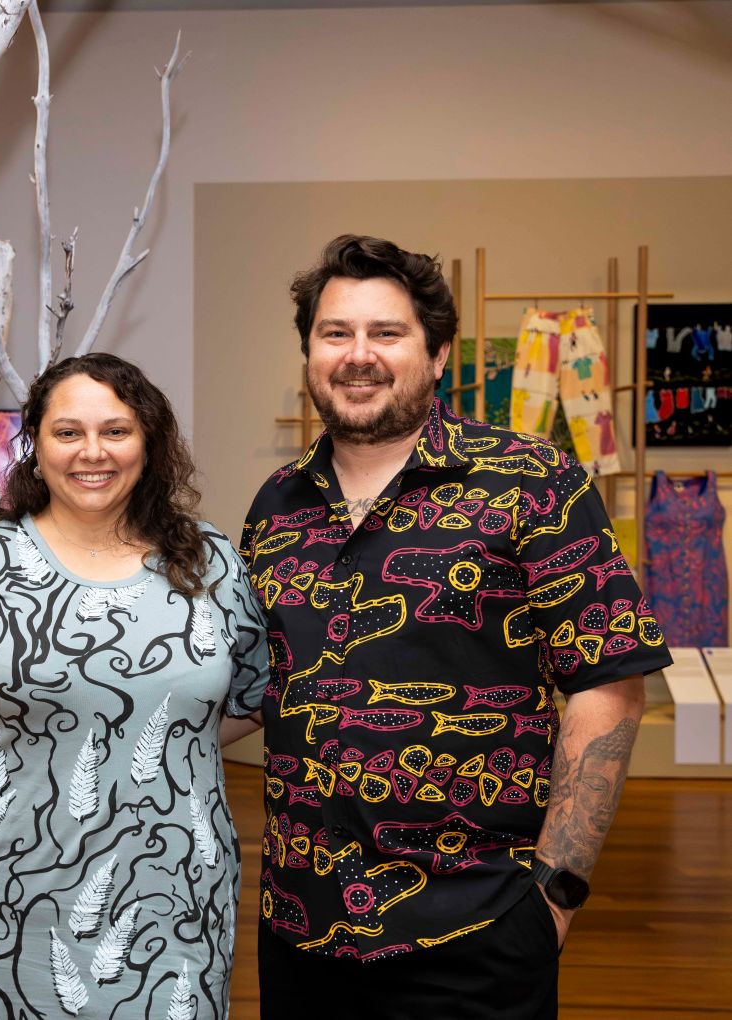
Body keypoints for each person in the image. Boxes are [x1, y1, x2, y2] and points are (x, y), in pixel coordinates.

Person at [239, 235, 673, 1019]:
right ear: (308, 353)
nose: (357, 355)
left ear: (438, 354)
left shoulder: (531, 480)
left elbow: (610, 684)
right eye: (335, 333)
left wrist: (556, 894)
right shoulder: (276, 505)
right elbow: (252, 686)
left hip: (476, 927)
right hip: (301, 928)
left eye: (386, 333)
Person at [0, 352, 269, 1020]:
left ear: (149, 444)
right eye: (68, 432)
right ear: (35, 446)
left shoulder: (211, 562)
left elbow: (248, 699)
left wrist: (150, 746)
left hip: (176, 890)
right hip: (9, 891)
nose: (92, 452)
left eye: (116, 430)